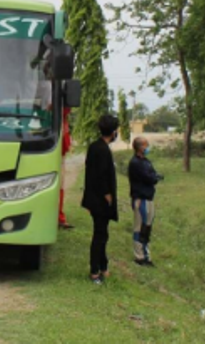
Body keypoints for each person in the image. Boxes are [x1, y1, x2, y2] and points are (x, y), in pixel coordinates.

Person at [81, 115, 120, 284]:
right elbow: (100, 175)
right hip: (100, 201)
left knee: (103, 233)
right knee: (100, 235)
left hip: (93, 198)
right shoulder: (103, 150)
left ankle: (104, 267)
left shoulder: (95, 146)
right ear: (113, 131)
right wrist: (107, 195)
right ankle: (94, 271)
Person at [127, 136, 162, 267]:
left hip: (149, 198)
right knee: (139, 228)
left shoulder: (146, 161)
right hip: (140, 199)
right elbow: (150, 178)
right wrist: (154, 177)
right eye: (145, 145)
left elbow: (153, 174)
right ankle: (139, 257)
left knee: (147, 227)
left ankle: (146, 255)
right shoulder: (135, 163)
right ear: (139, 147)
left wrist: (154, 176)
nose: (147, 147)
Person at [59, 107, 74, 230]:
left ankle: (60, 217)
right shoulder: (58, 114)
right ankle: (59, 217)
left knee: (61, 185)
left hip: (60, 153)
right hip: (56, 153)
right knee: (59, 185)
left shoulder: (62, 119)